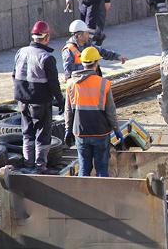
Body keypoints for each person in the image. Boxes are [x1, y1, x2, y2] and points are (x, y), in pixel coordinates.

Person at [12, 21, 64, 173]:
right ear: (46, 37)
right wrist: (60, 100)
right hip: (40, 102)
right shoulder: (46, 57)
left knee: (27, 133)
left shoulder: (21, 52)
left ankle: (28, 164)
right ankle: (40, 166)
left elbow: (14, 74)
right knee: (42, 134)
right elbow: (54, 84)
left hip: (22, 100)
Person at [64, 47, 122, 177]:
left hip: (81, 132)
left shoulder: (71, 84)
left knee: (84, 168)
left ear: (82, 63)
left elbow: (68, 110)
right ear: (96, 63)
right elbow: (110, 111)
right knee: (102, 169)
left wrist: (68, 130)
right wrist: (116, 129)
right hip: (100, 132)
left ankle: (82, 195)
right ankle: (101, 196)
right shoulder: (103, 84)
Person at [62, 19, 127, 80]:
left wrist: (117, 57)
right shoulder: (69, 50)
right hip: (79, 84)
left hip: (91, 80)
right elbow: (68, 71)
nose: (88, 34)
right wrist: (89, 66)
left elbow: (102, 51)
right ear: (79, 36)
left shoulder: (87, 44)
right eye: (86, 33)